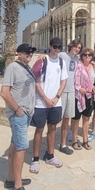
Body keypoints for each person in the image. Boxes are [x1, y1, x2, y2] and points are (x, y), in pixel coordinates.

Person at [0, 43, 36, 190]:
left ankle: (10, 178)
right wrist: (17, 109)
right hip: (19, 114)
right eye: (27, 52)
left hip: (25, 113)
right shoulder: (12, 68)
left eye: (31, 52)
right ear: (19, 53)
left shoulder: (26, 68)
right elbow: (4, 92)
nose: (29, 54)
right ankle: (17, 186)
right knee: (21, 148)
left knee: (14, 145)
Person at [29, 37, 68, 173]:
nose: (57, 49)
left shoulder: (62, 62)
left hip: (56, 102)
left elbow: (63, 82)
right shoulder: (42, 60)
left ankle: (50, 155)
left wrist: (56, 97)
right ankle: (35, 159)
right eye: (55, 46)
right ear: (50, 46)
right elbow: (36, 81)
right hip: (41, 102)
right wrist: (45, 98)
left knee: (52, 128)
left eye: (59, 47)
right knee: (39, 129)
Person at [58, 39, 82, 154]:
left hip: (71, 91)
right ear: (71, 46)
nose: (77, 49)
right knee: (56, 120)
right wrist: (42, 57)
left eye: (79, 48)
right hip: (61, 91)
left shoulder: (77, 59)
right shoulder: (62, 55)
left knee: (67, 118)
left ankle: (63, 144)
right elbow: (51, 58)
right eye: (76, 47)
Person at [71, 47, 95, 150]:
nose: (87, 57)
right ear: (82, 56)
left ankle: (85, 140)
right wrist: (79, 88)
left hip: (89, 95)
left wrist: (93, 87)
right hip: (79, 95)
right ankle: (74, 141)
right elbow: (73, 79)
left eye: (89, 55)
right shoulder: (78, 65)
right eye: (85, 55)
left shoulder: (93, 66)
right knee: (76, 119)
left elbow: (92, 80)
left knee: (86, 118)